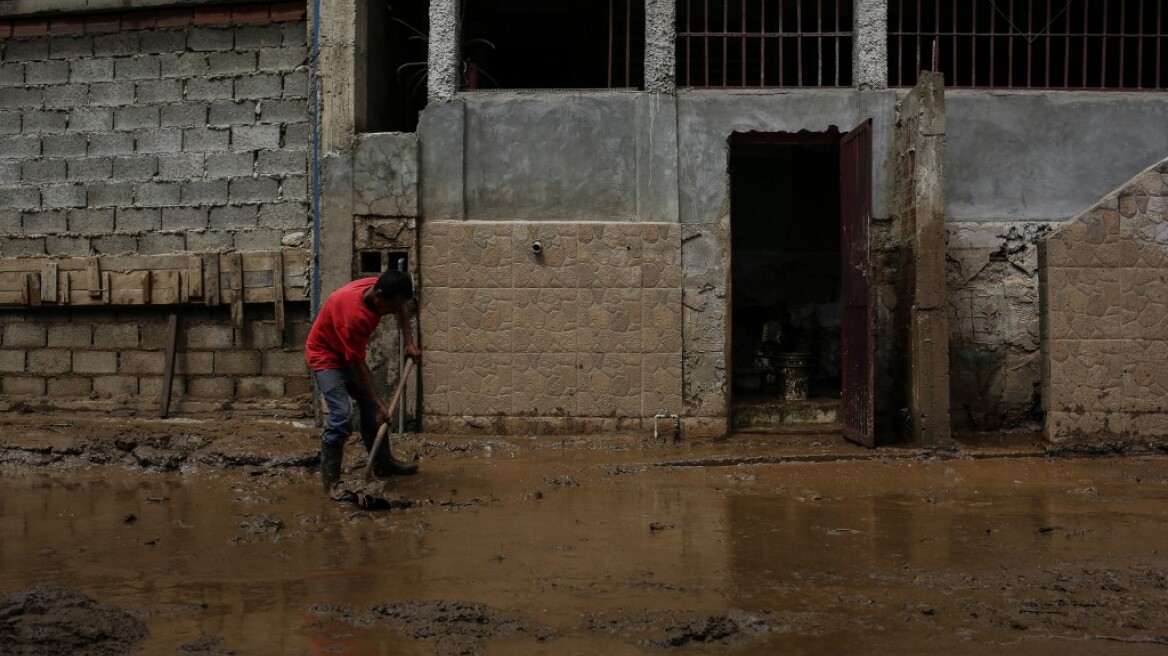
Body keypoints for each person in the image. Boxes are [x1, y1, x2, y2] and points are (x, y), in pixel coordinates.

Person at [305, 269, 421, 493]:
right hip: (325, 356)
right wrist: (378, 404)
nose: (393, 311)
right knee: (341, 416)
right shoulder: (353, 317)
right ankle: (332, 483)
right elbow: (358, 365)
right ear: (378, 296)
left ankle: (383, 464)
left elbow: (400, 307)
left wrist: (409, 342)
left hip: (347, 353)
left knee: (370, 409)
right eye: (390, 307)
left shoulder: (378, 286)